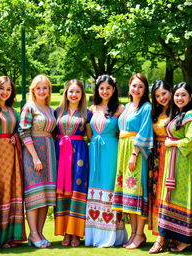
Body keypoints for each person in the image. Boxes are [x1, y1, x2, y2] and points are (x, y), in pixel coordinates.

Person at [153, 82, 192, 253]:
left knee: (183, 196)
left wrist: (172, 142)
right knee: (171, 197)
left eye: (183, 95)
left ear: (191, 97)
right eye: (177, 95)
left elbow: (191, 140)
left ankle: (186, 240)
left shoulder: (191, 115)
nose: (179, 98)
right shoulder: (179, 113)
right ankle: (170, 237)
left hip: (185, 162)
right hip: (174, 161)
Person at [85, 74, 127, 247]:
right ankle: (94, 235)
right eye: (101, 88)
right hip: (94, 151)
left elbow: (124, 132)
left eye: (108, 88)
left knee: (109, 186)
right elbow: (88, 133)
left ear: (114, 89)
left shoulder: (120, 108)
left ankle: (112, 235)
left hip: (111, 151)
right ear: (97, 90)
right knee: (94, 187)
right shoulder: (92, 108)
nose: (104, 91)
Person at [112, 73, 153, 249]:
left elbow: (144, 131)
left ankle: (140, 234)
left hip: (135, 152)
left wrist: (134, 154)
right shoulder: (127, 106)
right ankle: (133, 234)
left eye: (140, 86)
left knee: (136, 191)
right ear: (129, 86)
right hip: (123, 149)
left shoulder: (146, 108)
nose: (136, 89)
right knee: (127, 194)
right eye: (134, 85)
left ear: (145, 90)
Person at [19, 74, 56, 248]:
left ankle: (40, 233)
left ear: (49, 90)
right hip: (33, 153)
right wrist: (34, 156)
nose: (42, 91)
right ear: (33, 90)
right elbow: (24, 132)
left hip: (49, 153)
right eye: (38, 88)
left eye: (45, 87)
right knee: (34, 194)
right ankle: (33, 234)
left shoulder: (49, 109)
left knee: (45, 196)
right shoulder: (29, 107)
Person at [54, 79, 92, 247]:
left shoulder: (87, 113)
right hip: (61, 153)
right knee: (62, 189)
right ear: (66, 93)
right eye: (71, 91)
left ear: (82, 94)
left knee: (77, 188)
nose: (74, 94)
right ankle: (65, 232)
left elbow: (91, 137)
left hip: (80, 155)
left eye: (77, 91)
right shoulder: (57, 112)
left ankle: (75, 233)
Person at [0, 76, 26, 248]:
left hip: (12, 155)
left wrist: (15, 137)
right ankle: (0, 237)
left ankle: (12, 236)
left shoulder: (13, 111)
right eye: (1, 88)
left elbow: (19, 131)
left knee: (13, 190)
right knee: (1, 191)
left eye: (9, 89)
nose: (5, 92)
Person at [148, 80, 172, 253]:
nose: (161, 98)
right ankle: (161, 235)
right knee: (157, 194)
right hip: (156, 157)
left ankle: (166, 237)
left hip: (172, 156)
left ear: (170, 92)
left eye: (164, 93)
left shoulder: (177, 111)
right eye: (157, 96)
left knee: (169, 195)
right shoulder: (154, 113)